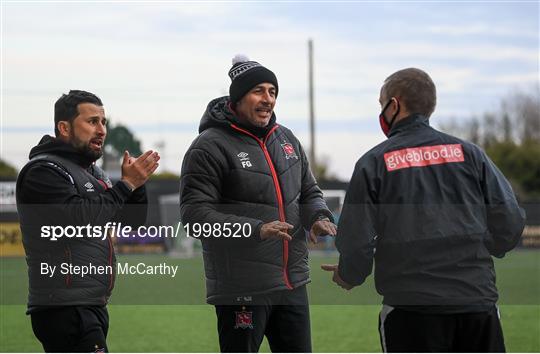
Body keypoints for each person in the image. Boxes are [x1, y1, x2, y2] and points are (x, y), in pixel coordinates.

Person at [322, 68, 526, 352]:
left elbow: (357, 239)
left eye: (382, 104)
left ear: (395, 105)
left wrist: (349, 274)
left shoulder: (374, 162)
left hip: (411, 311)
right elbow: (511, 221)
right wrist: (481, 247)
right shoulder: (471, 154)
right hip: (477, 304)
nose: (381, 112)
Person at [180, 55, 336, 353]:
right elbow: (194, 216)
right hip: (242, 289)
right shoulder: (208, 146)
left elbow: (309, 191)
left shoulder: (287, 139)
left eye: (273, 92)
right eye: (258, 91)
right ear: (237, 99)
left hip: (292, 285)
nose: (268, 99)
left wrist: (317, 214)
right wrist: (256, 230)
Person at [16, 90, 159, 352]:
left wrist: (137, 187)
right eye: (92, 121)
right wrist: (127, 184)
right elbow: (78, 220)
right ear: (64, 127)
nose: (102, 130)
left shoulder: (93, 172)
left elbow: (132, 224)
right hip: (63, 307)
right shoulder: (43, 171)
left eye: (103, 122)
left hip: (90, 304)